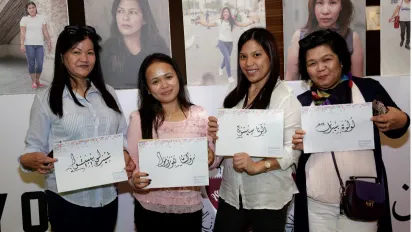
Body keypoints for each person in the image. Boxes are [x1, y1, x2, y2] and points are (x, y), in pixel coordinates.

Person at [19, 25, 135, 232]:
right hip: (67, 202)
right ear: (62, 56)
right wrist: (32, 160)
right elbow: (32, 149)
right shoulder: (46, 99)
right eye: (76, 52)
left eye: (90, 53)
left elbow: (121, 138)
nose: (84, 58)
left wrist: (125, 155)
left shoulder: (108, 93)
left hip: (107, 198)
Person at [292, 29, 410, 232]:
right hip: (316, 205)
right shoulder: (302, 103)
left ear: (341, 60)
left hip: (362, 200)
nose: (320, 68)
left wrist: (401, 119)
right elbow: (292, 155)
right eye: (312, 63)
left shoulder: (368, 90)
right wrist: (298, 145)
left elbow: (395, 128)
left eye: (327, 59)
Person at [207, 28, 301, 232]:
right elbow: (221, 154)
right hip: (232, 194)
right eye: (243, 56)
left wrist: (257, 166)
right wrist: (216, 138)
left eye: (256, 55)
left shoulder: (285, 98)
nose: (249, 63)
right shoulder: (234, 98)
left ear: (271, 55)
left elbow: (291, 151)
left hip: (268, 197)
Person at [127, 53, 215, 232]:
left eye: (168, 77)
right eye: (155, 81)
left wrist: (211, 156)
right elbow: (132, 167)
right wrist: (135, 181)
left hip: (189, 210)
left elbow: (212, 163)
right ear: (148, 89)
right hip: (149, 210)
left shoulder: (199, 115)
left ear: (178, 78)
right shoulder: (138, 119)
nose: (164, 85)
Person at [285, 0, 364, 80]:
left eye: (333, 3)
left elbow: (358, 83)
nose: (325, 11)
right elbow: (290, 80)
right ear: (313, 7)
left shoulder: (352, 37)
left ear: (341, 6)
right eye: (320, 3)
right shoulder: (299, 37)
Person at [100, 0, 170, 89]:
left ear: (144, 19)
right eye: (120, 11)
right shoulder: (106, 50)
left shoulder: (158, 48)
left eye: (132, 12)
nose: (125, 18)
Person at [196, 7, 259, 83]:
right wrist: (200, 22)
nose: (226, 13)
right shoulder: (220, 21)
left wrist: (252, 21)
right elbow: (208, 24)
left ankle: (220, 68)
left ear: (229, 13)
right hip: (222, 42)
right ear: (223, 13)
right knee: (227, 58)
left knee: (226, 58)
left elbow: (242, 24)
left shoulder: (232, 21)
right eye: (224, 12)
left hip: (230, 43)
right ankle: (229, 77)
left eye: (227, 12)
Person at [20, 1, 52, 89]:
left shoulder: (41, 18)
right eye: (29, 8)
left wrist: (49, 41)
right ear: (27, 10)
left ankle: (37, 80)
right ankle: (33, 82)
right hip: (29, 44)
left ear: (36, 8)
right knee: (31, 64)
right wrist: (22, 44)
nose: (31, 9)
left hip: (39, 44)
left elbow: (45, 30)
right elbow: (23, 32)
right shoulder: (24, 19)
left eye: (33, 7)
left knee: (40, 63)